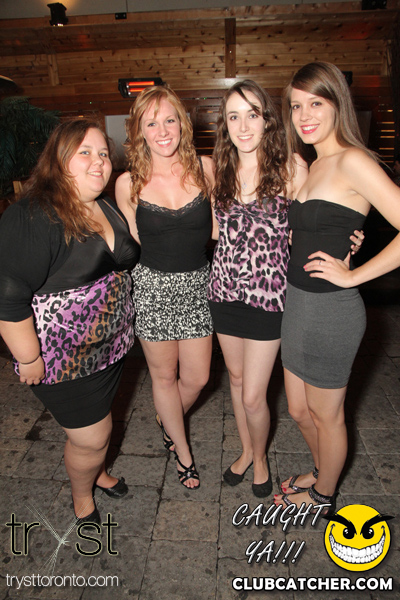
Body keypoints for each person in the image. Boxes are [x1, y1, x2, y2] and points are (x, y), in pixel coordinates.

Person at [0, 118, 140, 526]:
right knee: (92, 437)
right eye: (85, 152)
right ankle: (82, 495)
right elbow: (8, 296)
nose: (98, 162)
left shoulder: (101, 202)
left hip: (110, 349)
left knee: (100, 423)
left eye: (103, 154)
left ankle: (98, 471)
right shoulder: (33, 214)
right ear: (59, 159)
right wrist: (29, 358)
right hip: (62, 361)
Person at [274, 61, 400, 512]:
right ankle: (320, 468)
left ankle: (323, 494)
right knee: (298, 409)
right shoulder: (316, 164)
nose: (304, 115)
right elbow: (326, 224)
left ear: (336, 104)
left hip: (332, 309)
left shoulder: (353, 160)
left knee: (327, 415)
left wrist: (354, 274)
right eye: (296, 106)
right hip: (298, 303)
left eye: (315, 103)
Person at [207, 80, 309, 497]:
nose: (243, 126)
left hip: (269, 297)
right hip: (224, 291)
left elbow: (312, 225)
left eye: (252, 114)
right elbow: (216, 232)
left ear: (267, 119)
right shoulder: (220, 171)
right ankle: (247, 450)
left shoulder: (291, 168)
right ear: (225, 125)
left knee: (253, 395)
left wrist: (348, 241)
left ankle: (261, 457)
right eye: (234, 117)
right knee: (234, 378)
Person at [115, 85, 214, 490]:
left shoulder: (205, 169)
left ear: (183, 124)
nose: (162, 131)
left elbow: (229, 223)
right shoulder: (128, 183)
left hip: (198, 285)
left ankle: (167, 417)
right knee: (163, 377)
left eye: (170, 120)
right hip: (152, 287)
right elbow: (130, 242)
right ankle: (182, 451)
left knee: (198, 378)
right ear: (139, 130)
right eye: (151, 123)